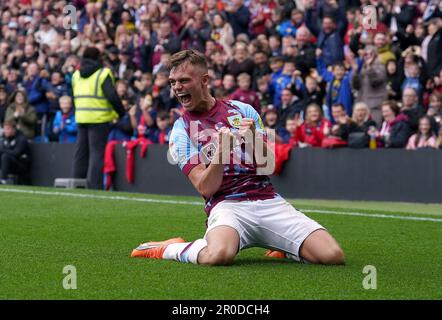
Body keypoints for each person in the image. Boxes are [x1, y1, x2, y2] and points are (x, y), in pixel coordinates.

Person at [131, 50, 345, 266]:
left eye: (184, 81)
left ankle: (283, 246)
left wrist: (252, 136)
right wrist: (221, 153)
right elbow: (205, 188)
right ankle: (169, 248)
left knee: (332, 256)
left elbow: (267, 166)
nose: (177, 87)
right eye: (173, 82)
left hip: (267, 200)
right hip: (227, 206)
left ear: (204, 81)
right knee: (218, 256)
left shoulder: (243, 110)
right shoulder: (180, 130)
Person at [71, 47, 125, 189]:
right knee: (96, 154)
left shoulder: (76, 74)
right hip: (99, 119)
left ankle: (77, 184)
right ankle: (95, 187)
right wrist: (121, 113)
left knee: (81, 153)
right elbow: (112, 96)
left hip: (81, 118)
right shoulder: (103, 73)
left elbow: (73, 97)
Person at [0, 120, 30, 184]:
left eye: (7, 129)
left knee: (5, 156)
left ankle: (2, 180)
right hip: (7, 164)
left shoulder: (21, 139)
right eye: (4, 129)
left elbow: (16, 153)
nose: (5, 131)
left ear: (14, 129)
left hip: (21, 164)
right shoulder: (4, 138)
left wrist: (2, 150)